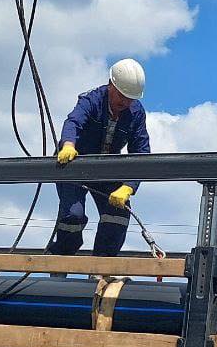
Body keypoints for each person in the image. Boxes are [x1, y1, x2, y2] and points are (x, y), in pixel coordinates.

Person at [49, 58, 150, 257]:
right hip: (74, 164)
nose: (125, 102)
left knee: (118, 215)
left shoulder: (136, 112)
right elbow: (73, 122)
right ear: (111, 85)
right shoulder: (92, 100)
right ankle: (62, 256)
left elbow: (141, 153)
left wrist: (128, 186)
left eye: (130, 98)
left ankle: (101, 266)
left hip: (107, 168)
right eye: (122, 96)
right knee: (72, 215)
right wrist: (68, 145)